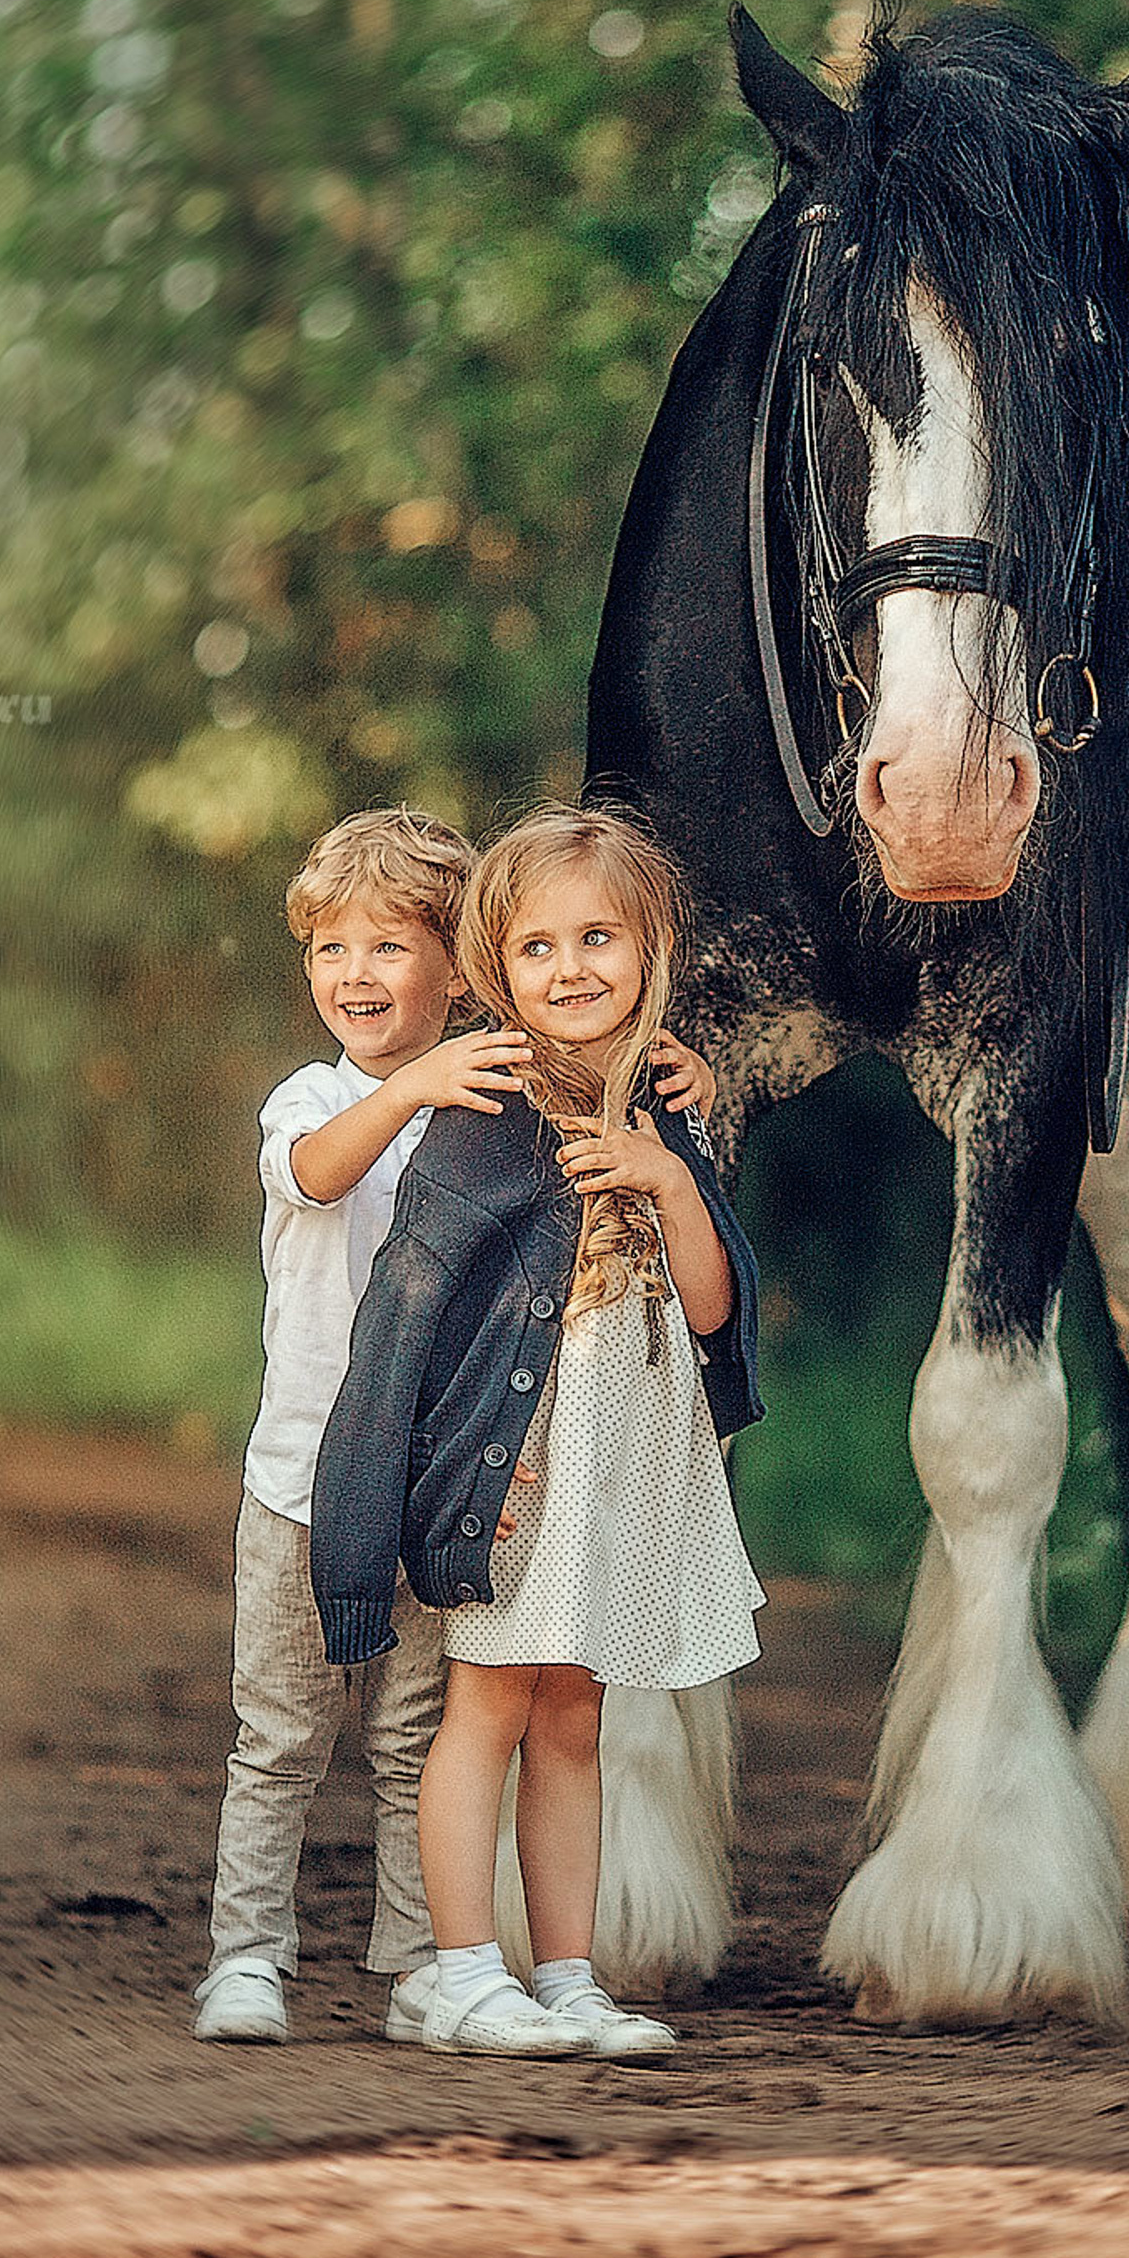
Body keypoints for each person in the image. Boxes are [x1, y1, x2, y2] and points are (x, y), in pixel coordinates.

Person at [192, 805, 714, 2045]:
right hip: (306, 1473)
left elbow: (590, 1055)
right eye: (331, 951)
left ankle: (428, 1962)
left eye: (389, 948)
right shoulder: (317, 1097)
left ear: (460, 965)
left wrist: (684, 1066)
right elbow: (318, 1169)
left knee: (420, 1730)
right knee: (279, 1733)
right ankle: (247, 1956)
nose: (357, 975)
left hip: (452, 1475)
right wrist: (412, 1086)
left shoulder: (499, 1085)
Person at [311, 803, 763, 2061]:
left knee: (577, 1715)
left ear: (652, 944)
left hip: (622, 1466)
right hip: (520, 1472)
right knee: (490, 1705)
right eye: (538, 949)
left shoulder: (665, 1102)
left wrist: (671, 1176)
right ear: (492, 972)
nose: (571, 971)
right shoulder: (483, 1110)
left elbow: (716, 1311)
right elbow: (402, 1322)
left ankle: (564, 1974)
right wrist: (371, 1511)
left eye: (599, 938)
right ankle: (459, 1971)